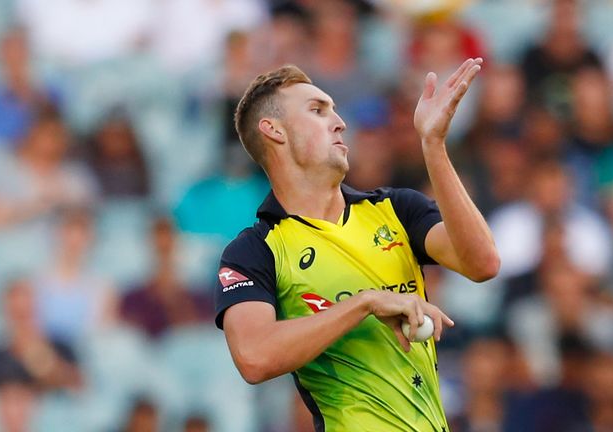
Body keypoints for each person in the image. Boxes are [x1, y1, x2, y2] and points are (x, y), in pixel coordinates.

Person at [214, 58, 500, 431]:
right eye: (318, 110)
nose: (340, 122)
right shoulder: (255, 251)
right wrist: (365, 302)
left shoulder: (395, 208)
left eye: (334, 109)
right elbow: (254, 357)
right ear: (274, 131)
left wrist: (433, 145)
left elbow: (483, 263)